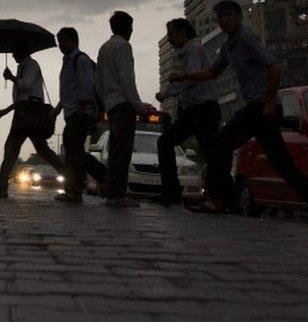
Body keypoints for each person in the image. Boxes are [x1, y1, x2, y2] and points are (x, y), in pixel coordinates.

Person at [171, 0, 308, 215]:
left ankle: (220, 200)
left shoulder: (246, 38)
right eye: (220, 18)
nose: (224, 21)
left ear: (238, 16)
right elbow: (213, 72)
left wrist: (270, 102)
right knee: (281, 162)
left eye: (228, 16)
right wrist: (185, 76)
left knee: (220, 144)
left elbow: (273, 67)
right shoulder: (228, 46)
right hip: (258, 108)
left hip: (261, 106)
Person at [0, 38, 65, 198]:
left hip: (27, 114)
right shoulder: (24, 66)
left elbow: (26, 86)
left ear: (23, 51)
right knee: (43, 151)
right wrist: (6, 110)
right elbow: (22, 97)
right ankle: (70, 179)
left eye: (15, 52)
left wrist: (12, 77)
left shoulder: (31, 65)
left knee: (11, 148)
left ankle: (1, 186)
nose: (12, 55)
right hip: (25, 112)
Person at [154, 18, 221, 205]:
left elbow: (189, 79)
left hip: (202, 110)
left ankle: (174, 192)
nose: (170, 39)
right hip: (193, 111)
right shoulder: (183, 53)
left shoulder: (192, 50)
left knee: (169, 143)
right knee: (210, 152)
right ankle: (218, 196)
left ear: (183, 33)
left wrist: (165, 94)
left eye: (172, 35)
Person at [52, 27, 108, 203]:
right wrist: (59, 108)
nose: (61, 45)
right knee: (73, 151)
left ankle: (81, 186)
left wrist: (80, 109)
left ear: (74, 41)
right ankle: (76, 189)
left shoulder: (81, 60)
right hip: (73, 111)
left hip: (82, 112)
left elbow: (86, 86)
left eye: (64, 41)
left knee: (73, 150)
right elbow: (70, 90)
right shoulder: (67, 61)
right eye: (59, 42)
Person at [96, 11, 143, 207]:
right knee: (122, 151)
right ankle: (118, 194)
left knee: (115, 149)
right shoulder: (124, 46)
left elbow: (98, 80)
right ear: (128, 28)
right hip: (124, 103)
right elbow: (127, 79)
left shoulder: (104, 48)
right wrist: (138, 105)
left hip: (111, 104)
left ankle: (112, 193)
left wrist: (105, 100)